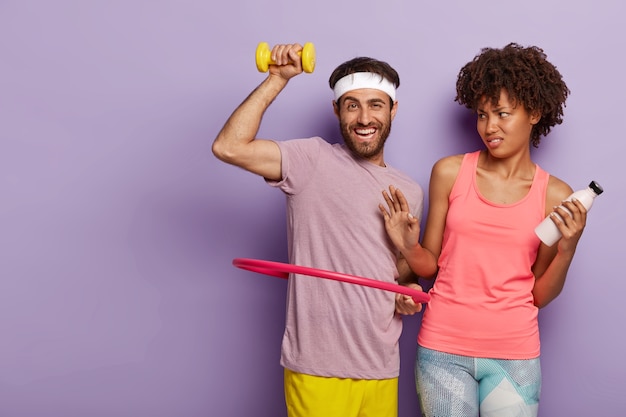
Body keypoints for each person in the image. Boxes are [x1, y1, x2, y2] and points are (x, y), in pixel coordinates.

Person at [212, 43, 425, 417]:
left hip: (380, 365)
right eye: (351, 104)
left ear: (392, 109)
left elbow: (397, 273)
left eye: (375, 104)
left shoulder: (409, 189)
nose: (364, 117)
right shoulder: (310, 160)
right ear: (337, 110)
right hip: (318, 365)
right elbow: (228, 147)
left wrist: (406, 288)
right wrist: (277, 79)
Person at [379, 43, 584, 416]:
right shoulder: (450, 172)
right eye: (482, 115)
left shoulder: (555, 194)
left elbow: (538, 294)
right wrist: (408, 247)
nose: (489, 127)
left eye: (503, 114)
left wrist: (568, 249)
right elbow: (431, 266)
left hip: (514, 354)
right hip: (442, 349)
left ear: (534, 113)